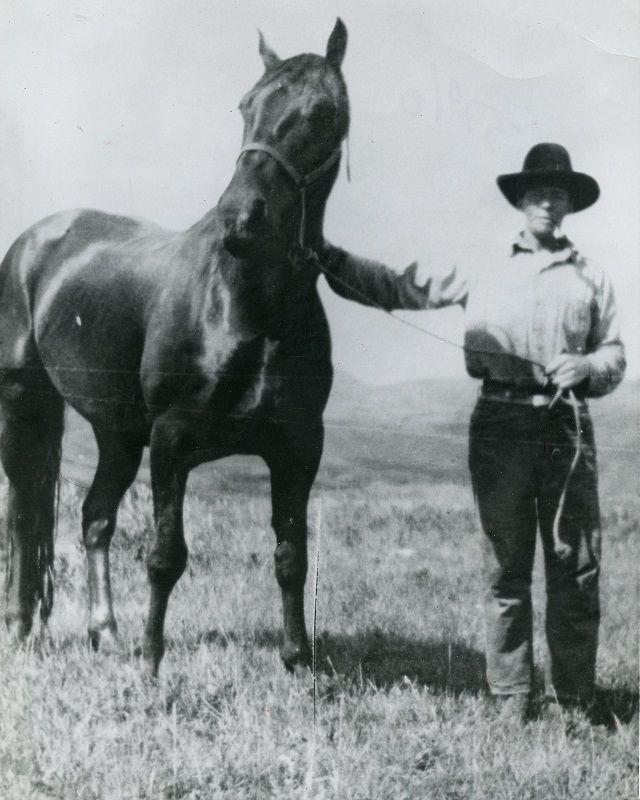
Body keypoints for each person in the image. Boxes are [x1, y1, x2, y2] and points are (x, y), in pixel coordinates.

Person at [321, 143, 625, 723]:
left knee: (575, 568)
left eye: (557, 193)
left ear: (568, 205)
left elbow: (614, 353)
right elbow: (400, 286)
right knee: (505, 566)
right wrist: (328, 258)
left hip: (567, 426)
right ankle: (511, 700)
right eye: (537, 191)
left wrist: (587, 367)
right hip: (500, 424)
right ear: (521, 200)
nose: (546, 202)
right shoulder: (483, 263)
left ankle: (576, 703)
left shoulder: (592, 277)